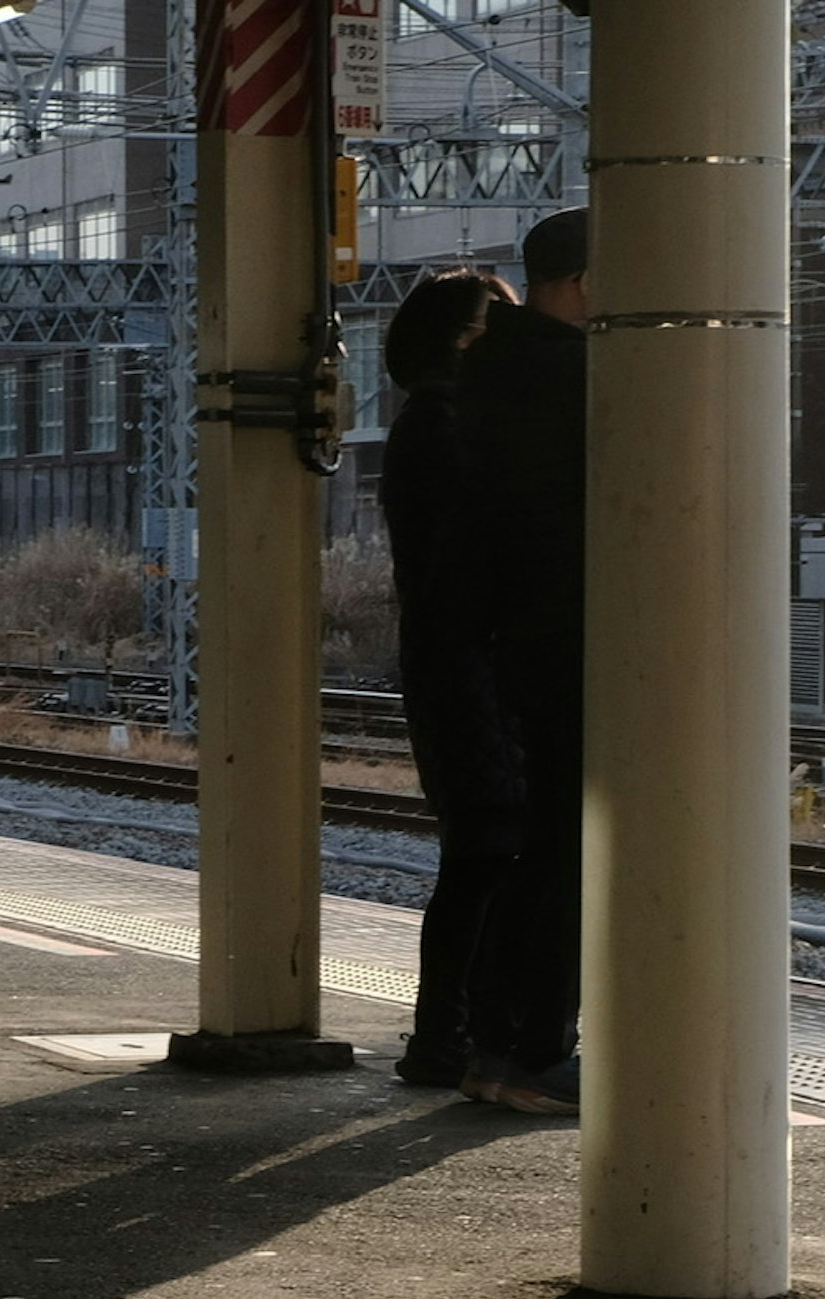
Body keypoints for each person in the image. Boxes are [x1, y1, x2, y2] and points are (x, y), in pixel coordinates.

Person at [449, 206, 593, 1115]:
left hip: (518, 636)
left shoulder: (490, 369)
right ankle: (539, 1048)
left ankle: (495, 1044)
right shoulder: (570, 375)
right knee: (569, 851)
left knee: (541, 847)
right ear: (586, 281)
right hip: (571, 631)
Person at [376, 266, 525, 1091]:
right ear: (454, 340)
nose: (504, 337)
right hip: (468, 669)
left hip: (458, 664)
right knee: (485, 850)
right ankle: (446, 1035)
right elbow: (463, 565)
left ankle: (450, 1033)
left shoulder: (437, 422)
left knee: (480, 854)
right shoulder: (442, 427)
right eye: (488, 324)